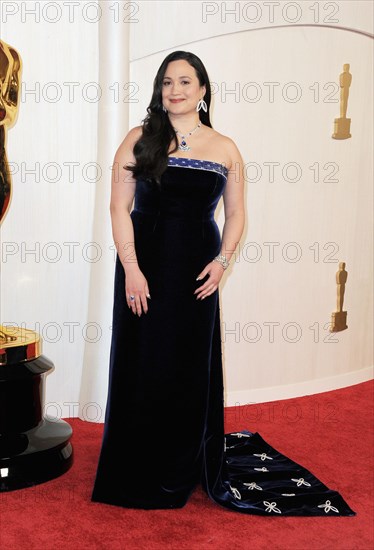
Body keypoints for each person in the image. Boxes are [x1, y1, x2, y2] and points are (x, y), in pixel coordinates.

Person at [91, 51, 355, 516]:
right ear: (159, 90)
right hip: (144, 269)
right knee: (143, 360)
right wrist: (131, 268)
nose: (175, 90)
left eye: (185, 82)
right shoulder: (138, 139)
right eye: (167, 82)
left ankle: (182, 462)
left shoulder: (225, 147)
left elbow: (236, 215)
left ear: (203, 90)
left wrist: (222, 262)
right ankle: (134, 464)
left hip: (197, 274)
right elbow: (118, 209)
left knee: (187, 364)